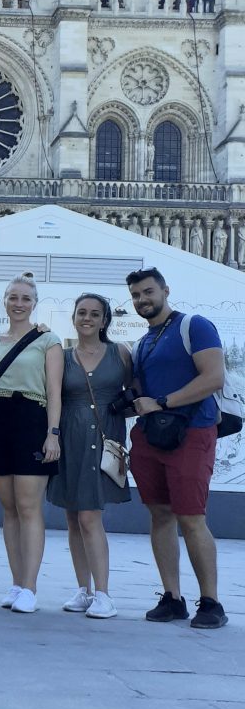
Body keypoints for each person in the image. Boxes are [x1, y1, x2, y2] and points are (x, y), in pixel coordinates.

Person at [126, 268, 228, 629]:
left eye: (148, 292)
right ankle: (172, 598)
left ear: (165, 290)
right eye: (136, 295)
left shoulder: (195, 326)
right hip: (153, 438)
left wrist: (163, 402)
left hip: (193, 433)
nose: (143, 300)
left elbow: (214, 377)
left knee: (192, 517)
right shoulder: (143, 342)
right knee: (161, 516)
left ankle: (211, 602)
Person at [0, 273, 62, 614]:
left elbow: (55, 391)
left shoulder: (48, 339)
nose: (19, 303)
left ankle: (30, 586)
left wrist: (52, 433)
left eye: (25, 298)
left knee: (29, 507)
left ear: (34, 303)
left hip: (32, 417)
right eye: (13, 297)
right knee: (9, 508)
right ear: (5, 300)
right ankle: (15, 583)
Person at [47, 294, 131, 619]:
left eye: (95, 314)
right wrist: (52, 434)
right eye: (82, 312)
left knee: (89, 516)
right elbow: (54, 394)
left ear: (104, 320)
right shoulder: (62, 356)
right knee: (72, 516)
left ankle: (104, 593)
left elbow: (133, 391)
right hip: (70, 438)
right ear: (74, 317)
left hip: (104, 437)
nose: (87, 318)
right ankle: (83, 589)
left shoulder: (120, 352)